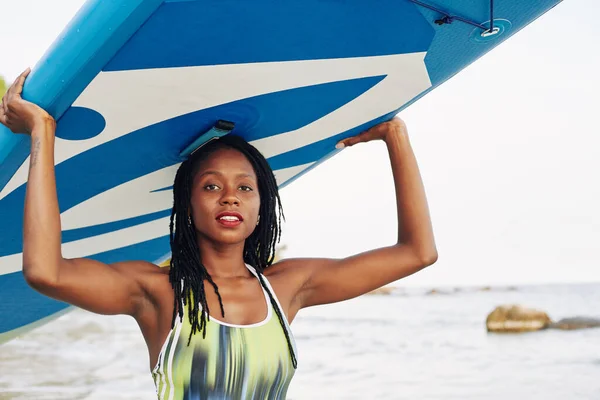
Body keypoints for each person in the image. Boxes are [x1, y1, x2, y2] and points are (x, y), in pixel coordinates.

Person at [0, 68, 438, 399]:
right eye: (211, 186)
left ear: (261, 205)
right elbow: (45, 272)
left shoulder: (288, 286)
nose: (230, 197)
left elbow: (417, 252)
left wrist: (394, 136)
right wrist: (43, 132)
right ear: (188, 206)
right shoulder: (155, 290)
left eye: (245, 188)